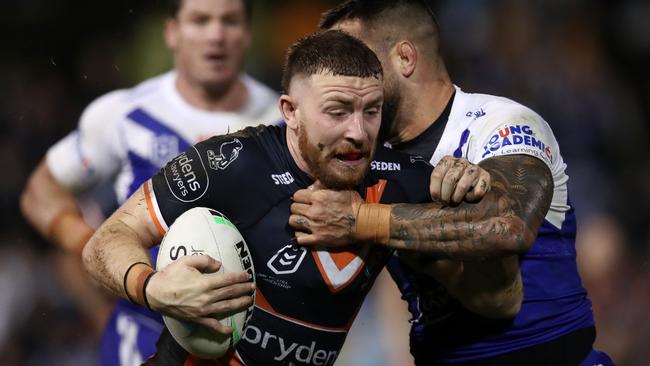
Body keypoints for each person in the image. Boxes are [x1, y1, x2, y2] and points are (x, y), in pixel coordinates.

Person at [82, 29, 493, 366]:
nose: (358, 131)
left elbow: (498, 296)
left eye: (372, 111)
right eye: (337, 111)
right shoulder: (231, 164)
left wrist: (470, 195)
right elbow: (105, 241)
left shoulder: (400, 181)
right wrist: (150, 286)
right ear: (290, 111)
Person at [287, 1, 615, 365]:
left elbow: (507, 226)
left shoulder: (500, 123)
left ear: (405, 58)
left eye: (351, 56)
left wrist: (363, 219)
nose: (337, 74)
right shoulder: (358, 160)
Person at [20, 0, 281, 364]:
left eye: (230, 21)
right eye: (200, 20)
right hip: (142, 332)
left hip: (250, 340)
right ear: (172, 32)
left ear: (248, 34)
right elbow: (40, 192)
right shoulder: (126, 114)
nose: (216, 35)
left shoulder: (281, 119)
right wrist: (90, 245)